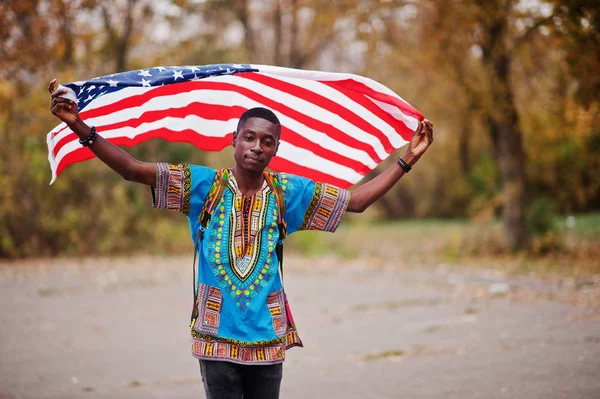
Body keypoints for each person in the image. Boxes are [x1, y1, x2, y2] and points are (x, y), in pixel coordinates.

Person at [48, 79, 433, 399]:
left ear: (276, 149)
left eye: (267, 142)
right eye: (249, 138)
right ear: (234, 141)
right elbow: (132, 169)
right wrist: (77, 125)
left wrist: (408, 159)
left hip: (267, 334)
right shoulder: (203, 186)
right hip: (216, 332)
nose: (256, 147)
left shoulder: (288, 193)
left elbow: (358, 202)